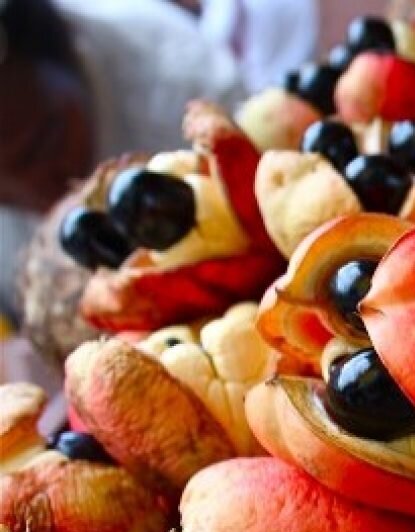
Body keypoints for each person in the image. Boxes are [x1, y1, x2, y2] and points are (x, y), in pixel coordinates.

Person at [0, 0, 245, 325]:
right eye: (5, 195)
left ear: (71, 52)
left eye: (42, 146)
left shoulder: (180, 75)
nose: (32, 188)